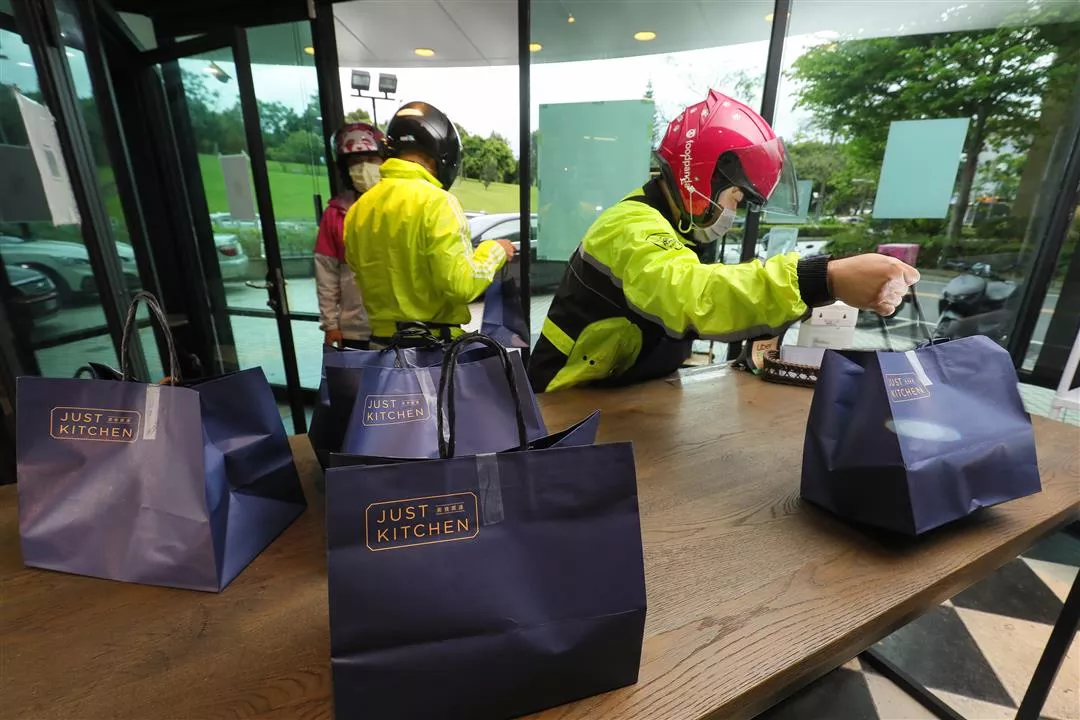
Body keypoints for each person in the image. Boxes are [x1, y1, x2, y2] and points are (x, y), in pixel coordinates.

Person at [528, 89, 919, 393]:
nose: (733, 212)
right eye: (735, 196)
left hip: (622, 395)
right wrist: (821, 279)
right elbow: (693, 294)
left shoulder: (679, 225)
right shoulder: (631, 225)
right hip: (564, 401)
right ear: (698, 178)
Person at [343, 101, 515, 346]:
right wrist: (495, 250)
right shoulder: (437, 202)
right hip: (432, 351)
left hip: (381, 349)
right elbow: (462, 284)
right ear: (442, 153)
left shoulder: (358, 209)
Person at [315, 122, 385, 349]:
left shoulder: (399, 207)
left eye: (371, 159)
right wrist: (330, 324)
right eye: (355, 161)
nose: (364, 167)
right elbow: (326, 272)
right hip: (355, 327)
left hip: (399, 326)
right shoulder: (335, 214)